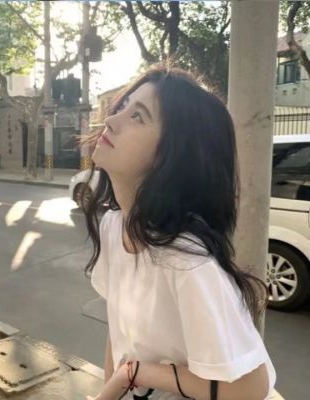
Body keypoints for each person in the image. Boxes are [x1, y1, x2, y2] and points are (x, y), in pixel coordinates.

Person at [83, 64, 276, 400]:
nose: (112, 120)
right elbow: (119, 331)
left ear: (172, 154)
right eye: (123, 106)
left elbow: (253, 386)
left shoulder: (184, 259)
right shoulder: (115, 226)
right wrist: (113, 387)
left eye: (137, 116)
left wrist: (137, 372)